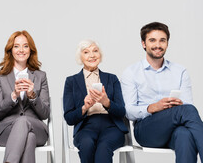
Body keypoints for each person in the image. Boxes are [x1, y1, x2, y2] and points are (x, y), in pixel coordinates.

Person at [121, 22, 203, 163]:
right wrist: (152, 107)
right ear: (143, 44)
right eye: (152, 40)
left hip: (175, 127)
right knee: (188, 111)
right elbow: (127, 111)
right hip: (146, 130)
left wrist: (175, 107)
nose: (158, 45)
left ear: (167, 44)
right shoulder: (131, 72)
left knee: (185, 135)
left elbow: (187, 104)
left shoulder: (180, 71)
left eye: (162, 40)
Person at [63, 39, 127, 163]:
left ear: (100, 55)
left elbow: (121, 111)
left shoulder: (112, 78)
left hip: (111, 127)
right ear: (80, 58)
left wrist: (106, 102)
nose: (92, 55)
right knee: (87, 145)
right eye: (86, 52)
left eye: (95, 51)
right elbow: (69, 118)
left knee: (103, 148)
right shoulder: (71, 81)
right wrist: (84, 107)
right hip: (86, 127)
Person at [0, 30, 50, 163]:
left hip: (37, 127)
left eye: (25, 46)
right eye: (16, 46)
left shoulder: (40, 76)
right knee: (29, 138)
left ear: (31, 50)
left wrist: (32, 95)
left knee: (24, 122)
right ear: (10, 50)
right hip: (7, 130)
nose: (21, 50)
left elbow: (45, 113)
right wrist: (13, 96)